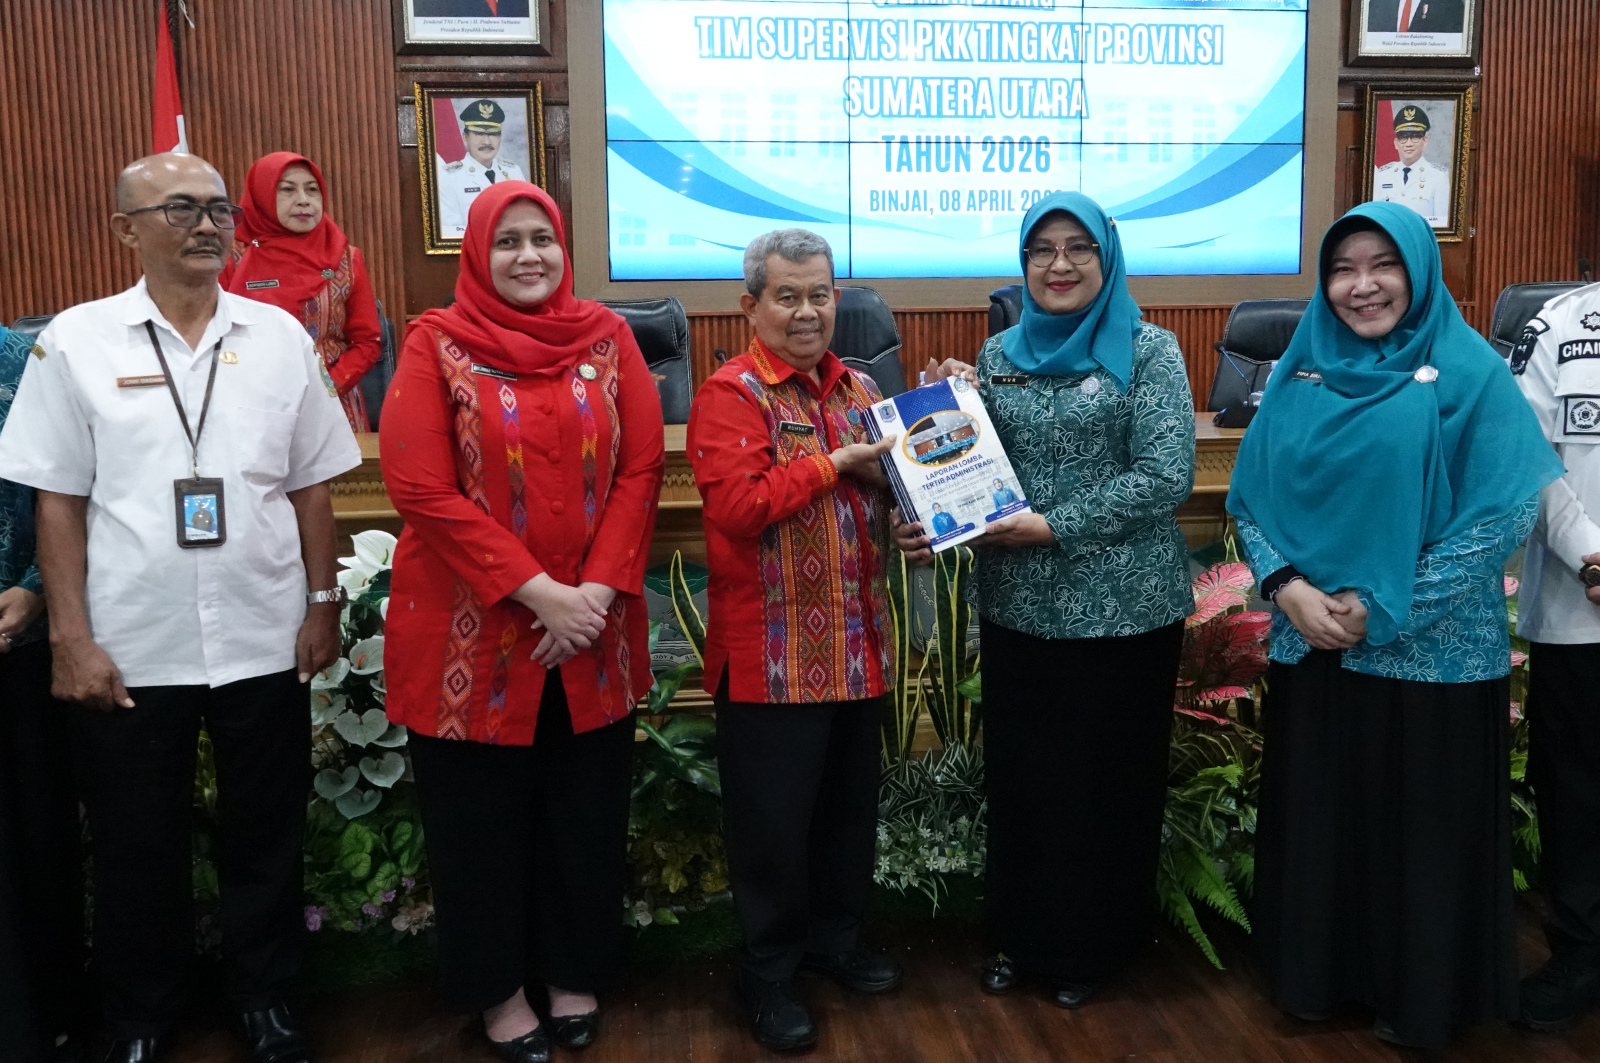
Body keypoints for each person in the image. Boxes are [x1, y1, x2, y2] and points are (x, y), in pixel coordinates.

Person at [0, 153, 361, 1063]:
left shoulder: (279, 337)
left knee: (266, 832)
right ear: (126, 230)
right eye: (179, 209)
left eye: (217, 209)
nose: (206, 224)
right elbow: (56, 502)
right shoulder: (76, 342)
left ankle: (267, 998)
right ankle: (141, 1014)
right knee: (134, 839)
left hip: (262, 631)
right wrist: (69, 638)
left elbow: (314, 485)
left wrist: (322, 603)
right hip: (131, 640)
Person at [1227, 202, 1562, 1049]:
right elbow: (1251, 497)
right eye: (1343, 268)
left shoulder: (1472, 372)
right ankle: (1322, 980)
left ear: (1418, 271)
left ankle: (1420, 997)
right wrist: (1287, 586)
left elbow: (1502, 515)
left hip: (1436, 659)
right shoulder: (1302, 371)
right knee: (1329, 825)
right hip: (1317, 645)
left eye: (1384, 264)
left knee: (1424, 837)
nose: (1362, 285)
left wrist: (1383, 606)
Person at [380, 181, 664, 1063]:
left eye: (542, 237)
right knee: (479, 826)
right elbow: (421, 488)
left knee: (585, 812)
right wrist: (544, 594)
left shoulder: (607, 337)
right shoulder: (435, 343)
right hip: (472, 638)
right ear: (477, 252)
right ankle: (499, 991)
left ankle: (574, 971)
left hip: (593, 633)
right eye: (507, 241)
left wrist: (596, 594)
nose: (529, 255)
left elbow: (643, 467)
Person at [897, 192, 1196, 1009]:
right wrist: (943, 413)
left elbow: (1166, 475)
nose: (1059, 265)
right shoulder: (997, 355)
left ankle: (1092, 947)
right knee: (1026, 781)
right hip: (1020, 607)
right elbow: (974, 469)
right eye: (1042, 250)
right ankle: (1019, 938)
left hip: (1125, 610)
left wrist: (1054, 524)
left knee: (1107, 782)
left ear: (1106, 257)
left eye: (1077, 248)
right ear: (1024, 262)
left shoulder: (1149, 350)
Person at [686, 228, 901, 1051]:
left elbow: (892, 490)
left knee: (846, 816)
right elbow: (740, 506)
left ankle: (834, 944)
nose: (807, 311)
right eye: (787, 296)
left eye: (819, 294)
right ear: (752, 306)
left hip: (858, 645)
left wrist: (908, 515)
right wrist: (834, 463)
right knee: (772, 832)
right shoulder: (730, 394)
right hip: (771, 661)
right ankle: (768, 971)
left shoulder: (860, 386)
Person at [1508, 280, 1600, 1030]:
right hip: (1582, 609)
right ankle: (1583, 952)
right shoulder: (1557, 327)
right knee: (1577, 794)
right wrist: (1593, 556)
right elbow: (1527, 456)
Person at [0, 322, 85, 1063]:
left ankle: (45, 1017)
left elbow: (66, 492)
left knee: (34, 838)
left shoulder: (23, 360)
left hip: (18, 646)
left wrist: (34, 593)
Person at [223, 152, 383, 433]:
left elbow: (367, 342)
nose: (304, 200)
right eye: (287, 190)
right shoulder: (230, 257)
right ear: (261, 195)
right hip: (251, 404)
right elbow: (214, 336)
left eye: (312, 189)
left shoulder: (345, 258)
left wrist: (325, 387)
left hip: (331, 406)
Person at [438, 100, 527, 239]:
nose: (487, 141)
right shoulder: (448, 177)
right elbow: (450, 231)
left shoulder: (513, 172)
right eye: (479, 134)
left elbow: (524, 221)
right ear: (465, 138)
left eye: (493, 134)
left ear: (500, 138)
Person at [1373, 104, 1450, 227]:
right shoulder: (1383, 175)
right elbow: (1376, 217)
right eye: (1403, 138)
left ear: (1425, 141)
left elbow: (1442, 223)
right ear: (1396, 143)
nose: (1408, 144)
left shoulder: (1438, 177)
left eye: (1415, 137)